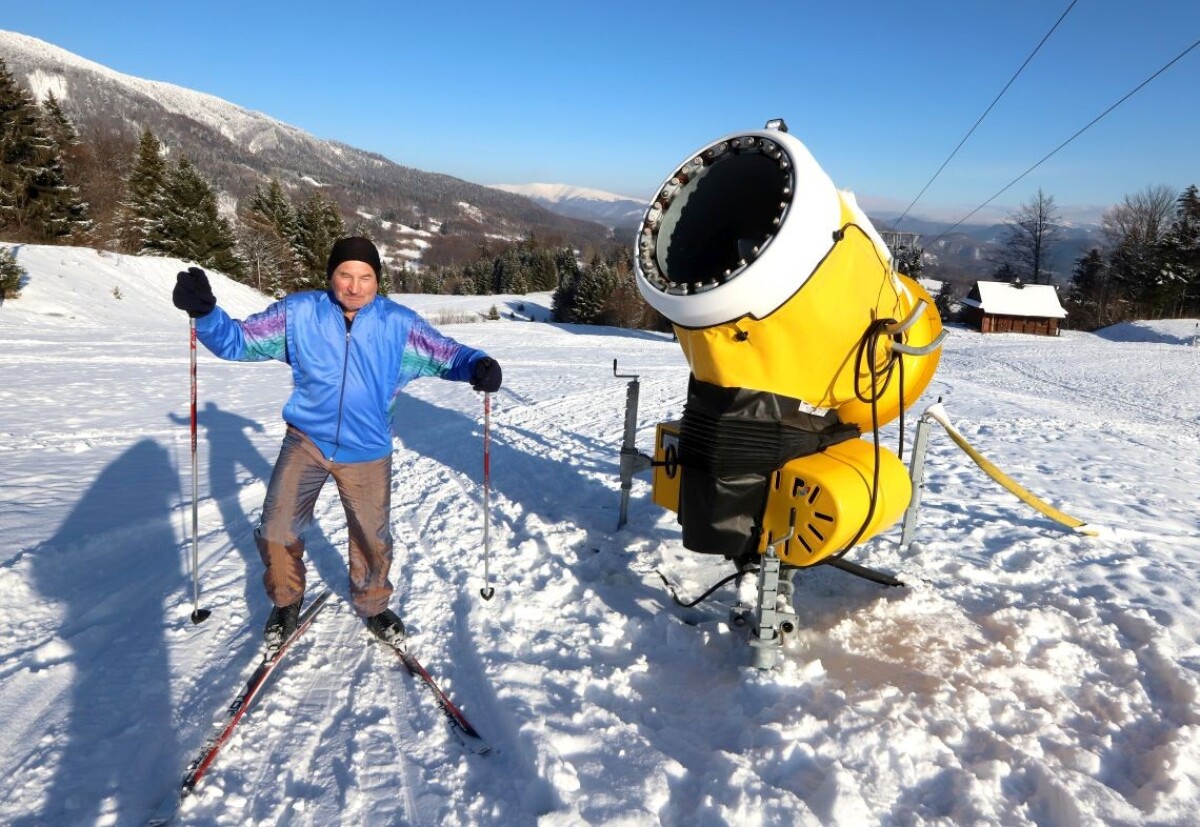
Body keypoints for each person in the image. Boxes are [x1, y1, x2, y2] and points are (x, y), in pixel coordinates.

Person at [172, 237, 502, 651]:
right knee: (277, 529)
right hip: (307, 441)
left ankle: (373, 604)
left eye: (366, 277)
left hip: (367, 448)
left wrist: (479, 366)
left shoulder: (399, 324)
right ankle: (287, 600)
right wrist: (206, 314)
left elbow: (448, 354)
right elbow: (238, 340)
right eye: (345, 274)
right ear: (330, 276)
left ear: (377, 280)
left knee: (371, 537)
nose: (355, 286)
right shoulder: (298, 314)